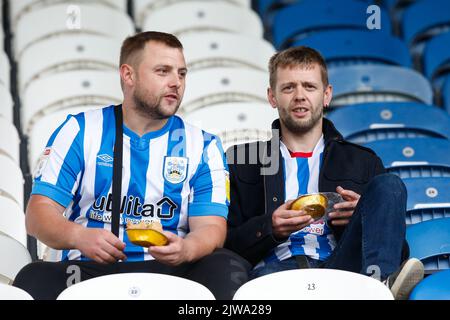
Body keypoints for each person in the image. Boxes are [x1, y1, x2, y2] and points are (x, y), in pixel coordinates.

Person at [13, 31, 250, 300]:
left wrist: (186, 249)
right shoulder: (80, 130)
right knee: (33, 278)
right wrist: (79, 236)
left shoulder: (204, 145)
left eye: (181, 74)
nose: (176, 82)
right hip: (90, 269)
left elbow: (211, 228)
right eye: (163, 71)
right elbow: (37, 216)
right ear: (128, 75)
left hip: (170, 271)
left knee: (225, 267)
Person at [225, 46, 424, 300]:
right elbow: (224, 244)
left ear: (326, 95)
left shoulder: (363, 161)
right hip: (273, 276)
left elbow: (398, 249)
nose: (299, 96)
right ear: (272, 97)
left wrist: (363, 218)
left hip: (344, 269)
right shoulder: (241, 161)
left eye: (309, 87)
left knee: (390, 185)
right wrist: (269, 227)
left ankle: (380, 286)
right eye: (288, 88)